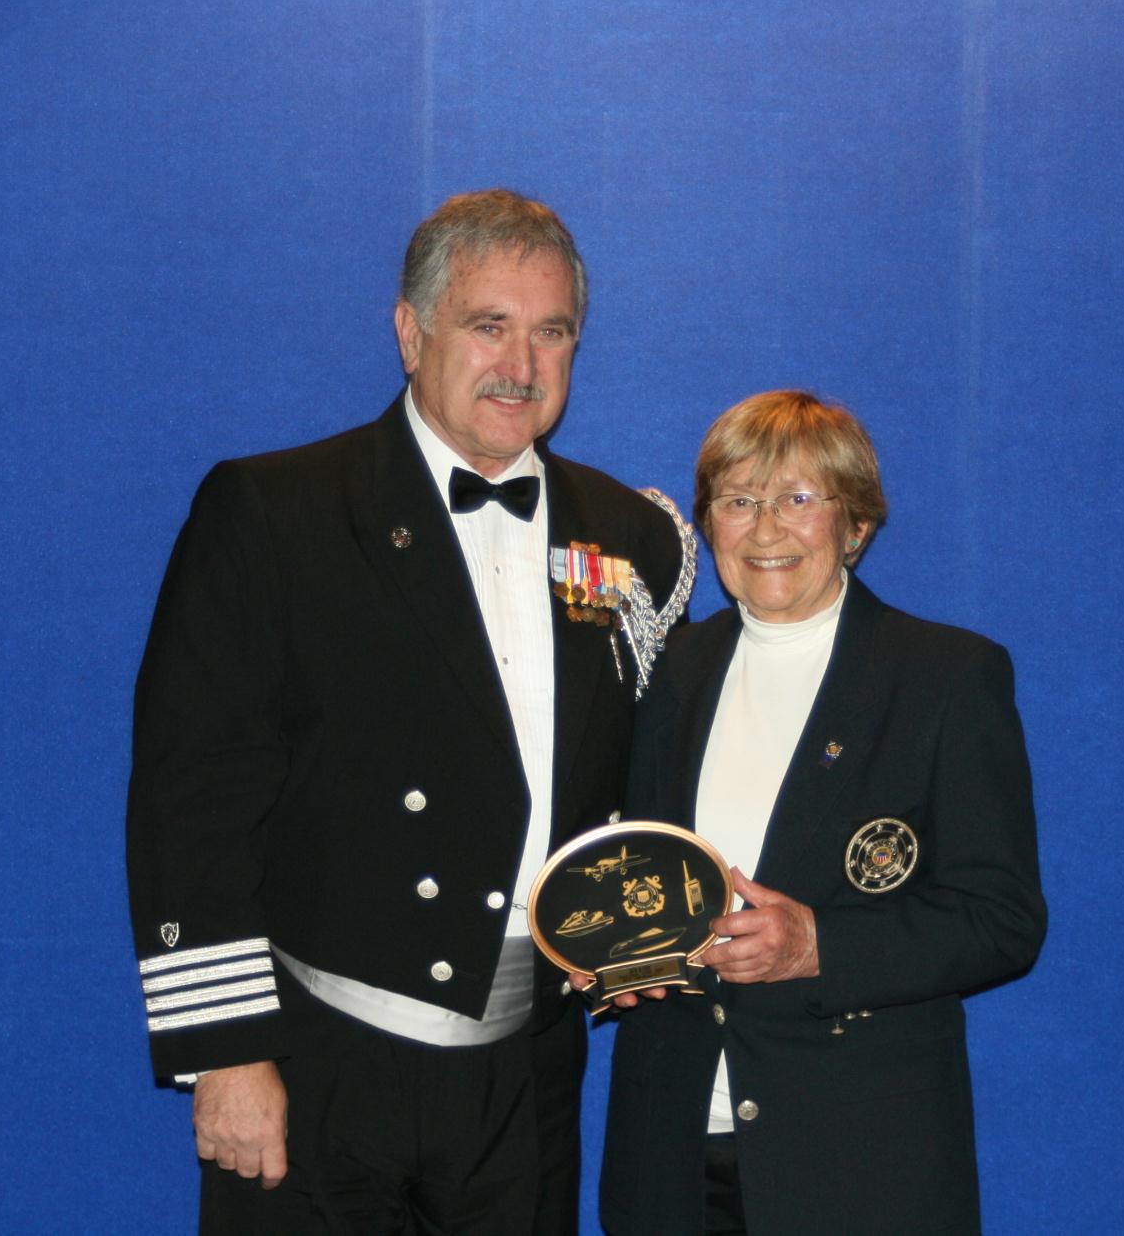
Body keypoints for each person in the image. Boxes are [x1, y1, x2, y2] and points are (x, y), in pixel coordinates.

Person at [127, 190, 691, 1234]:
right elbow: (189, 803)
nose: (521, 363)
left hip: (527, 1073)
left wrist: (643, 935)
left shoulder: (630, 538)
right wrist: (225, 1050)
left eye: (552, 330)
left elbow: (639, 782)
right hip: (321, 1061)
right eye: (489, 325)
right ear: (409, 330)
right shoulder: (277, 512)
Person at [598, 390, 1046, 1236]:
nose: (764, 528)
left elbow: (1003, 921)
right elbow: (643, 873)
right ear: (708, 524)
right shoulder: (675, 669)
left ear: (856, 524)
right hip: (671, 1155)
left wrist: (818, 945)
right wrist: (613, 952)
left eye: (797, 497)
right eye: (738, 499)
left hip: (857, 1161)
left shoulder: (947, 677)